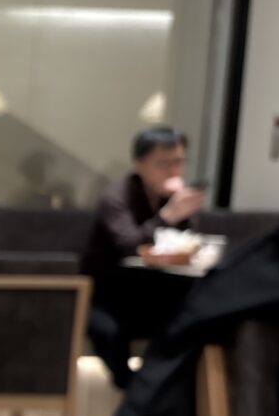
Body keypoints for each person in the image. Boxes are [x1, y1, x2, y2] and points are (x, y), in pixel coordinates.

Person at [80, 127, 204, 388]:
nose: (173, 171)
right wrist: (169, 215)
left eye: (179, 162)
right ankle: (133, 388)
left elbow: (186, 243)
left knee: (194, 313)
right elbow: (129, 245)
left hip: (151, 291)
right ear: (139, 164)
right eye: (163, 164)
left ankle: (159, 387)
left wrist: (182, 214)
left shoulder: (170, 198)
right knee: (109, 333)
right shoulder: (115, 198)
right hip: (106, 295)